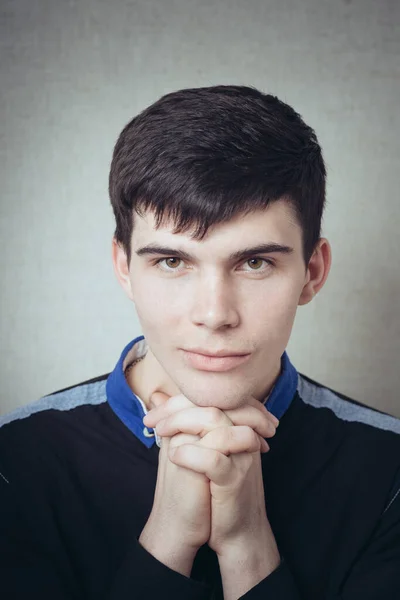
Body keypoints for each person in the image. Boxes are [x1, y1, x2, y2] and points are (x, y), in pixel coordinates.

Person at [1, 85, 400, 600]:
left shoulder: (390, 474)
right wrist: (167, 540)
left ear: (312, 271)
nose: (214, 315)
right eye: (172, 262)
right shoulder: (13, 464)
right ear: (124, 267)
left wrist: (248, 546)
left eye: (255, 262)